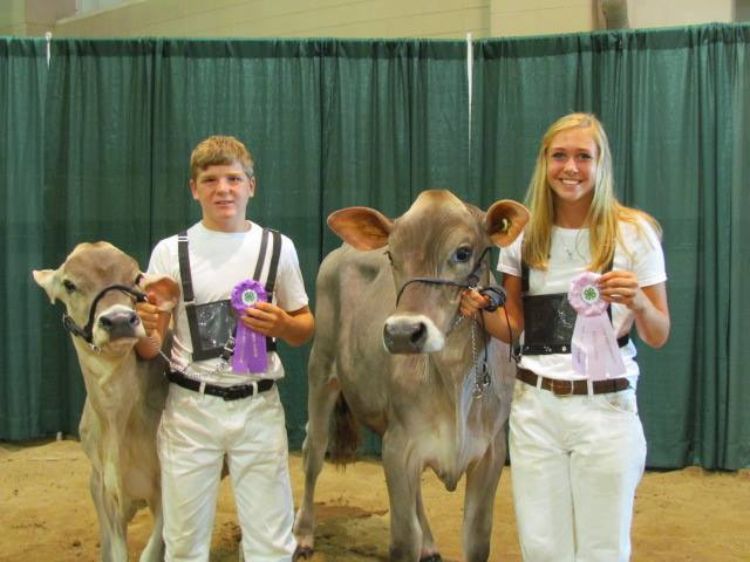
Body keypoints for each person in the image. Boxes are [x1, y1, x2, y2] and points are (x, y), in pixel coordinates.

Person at [461, 112, 670, 561]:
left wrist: (639, 302)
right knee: (542, 548)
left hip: (607, 408)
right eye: (559, 156)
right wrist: (479, 314)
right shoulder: (521, 237)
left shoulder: (634, 233)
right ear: (544, 162)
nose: (570, 167)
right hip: (536, 409)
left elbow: (658, 333)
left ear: (601, 164)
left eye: (583, 156)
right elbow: (515, 329)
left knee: (603, 548)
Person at [135, 135, 314, 561]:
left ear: (252, 186)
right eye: (210, 179)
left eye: (234, 178)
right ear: (194, 189)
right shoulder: (169, 252)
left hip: (257, 408)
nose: (223, 189)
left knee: (271, 542)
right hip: (190, 410)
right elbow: (149, 350)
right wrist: (145, 331)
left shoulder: (278, 247)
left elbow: (305, 327)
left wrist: (286, 323)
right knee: (182, 544)